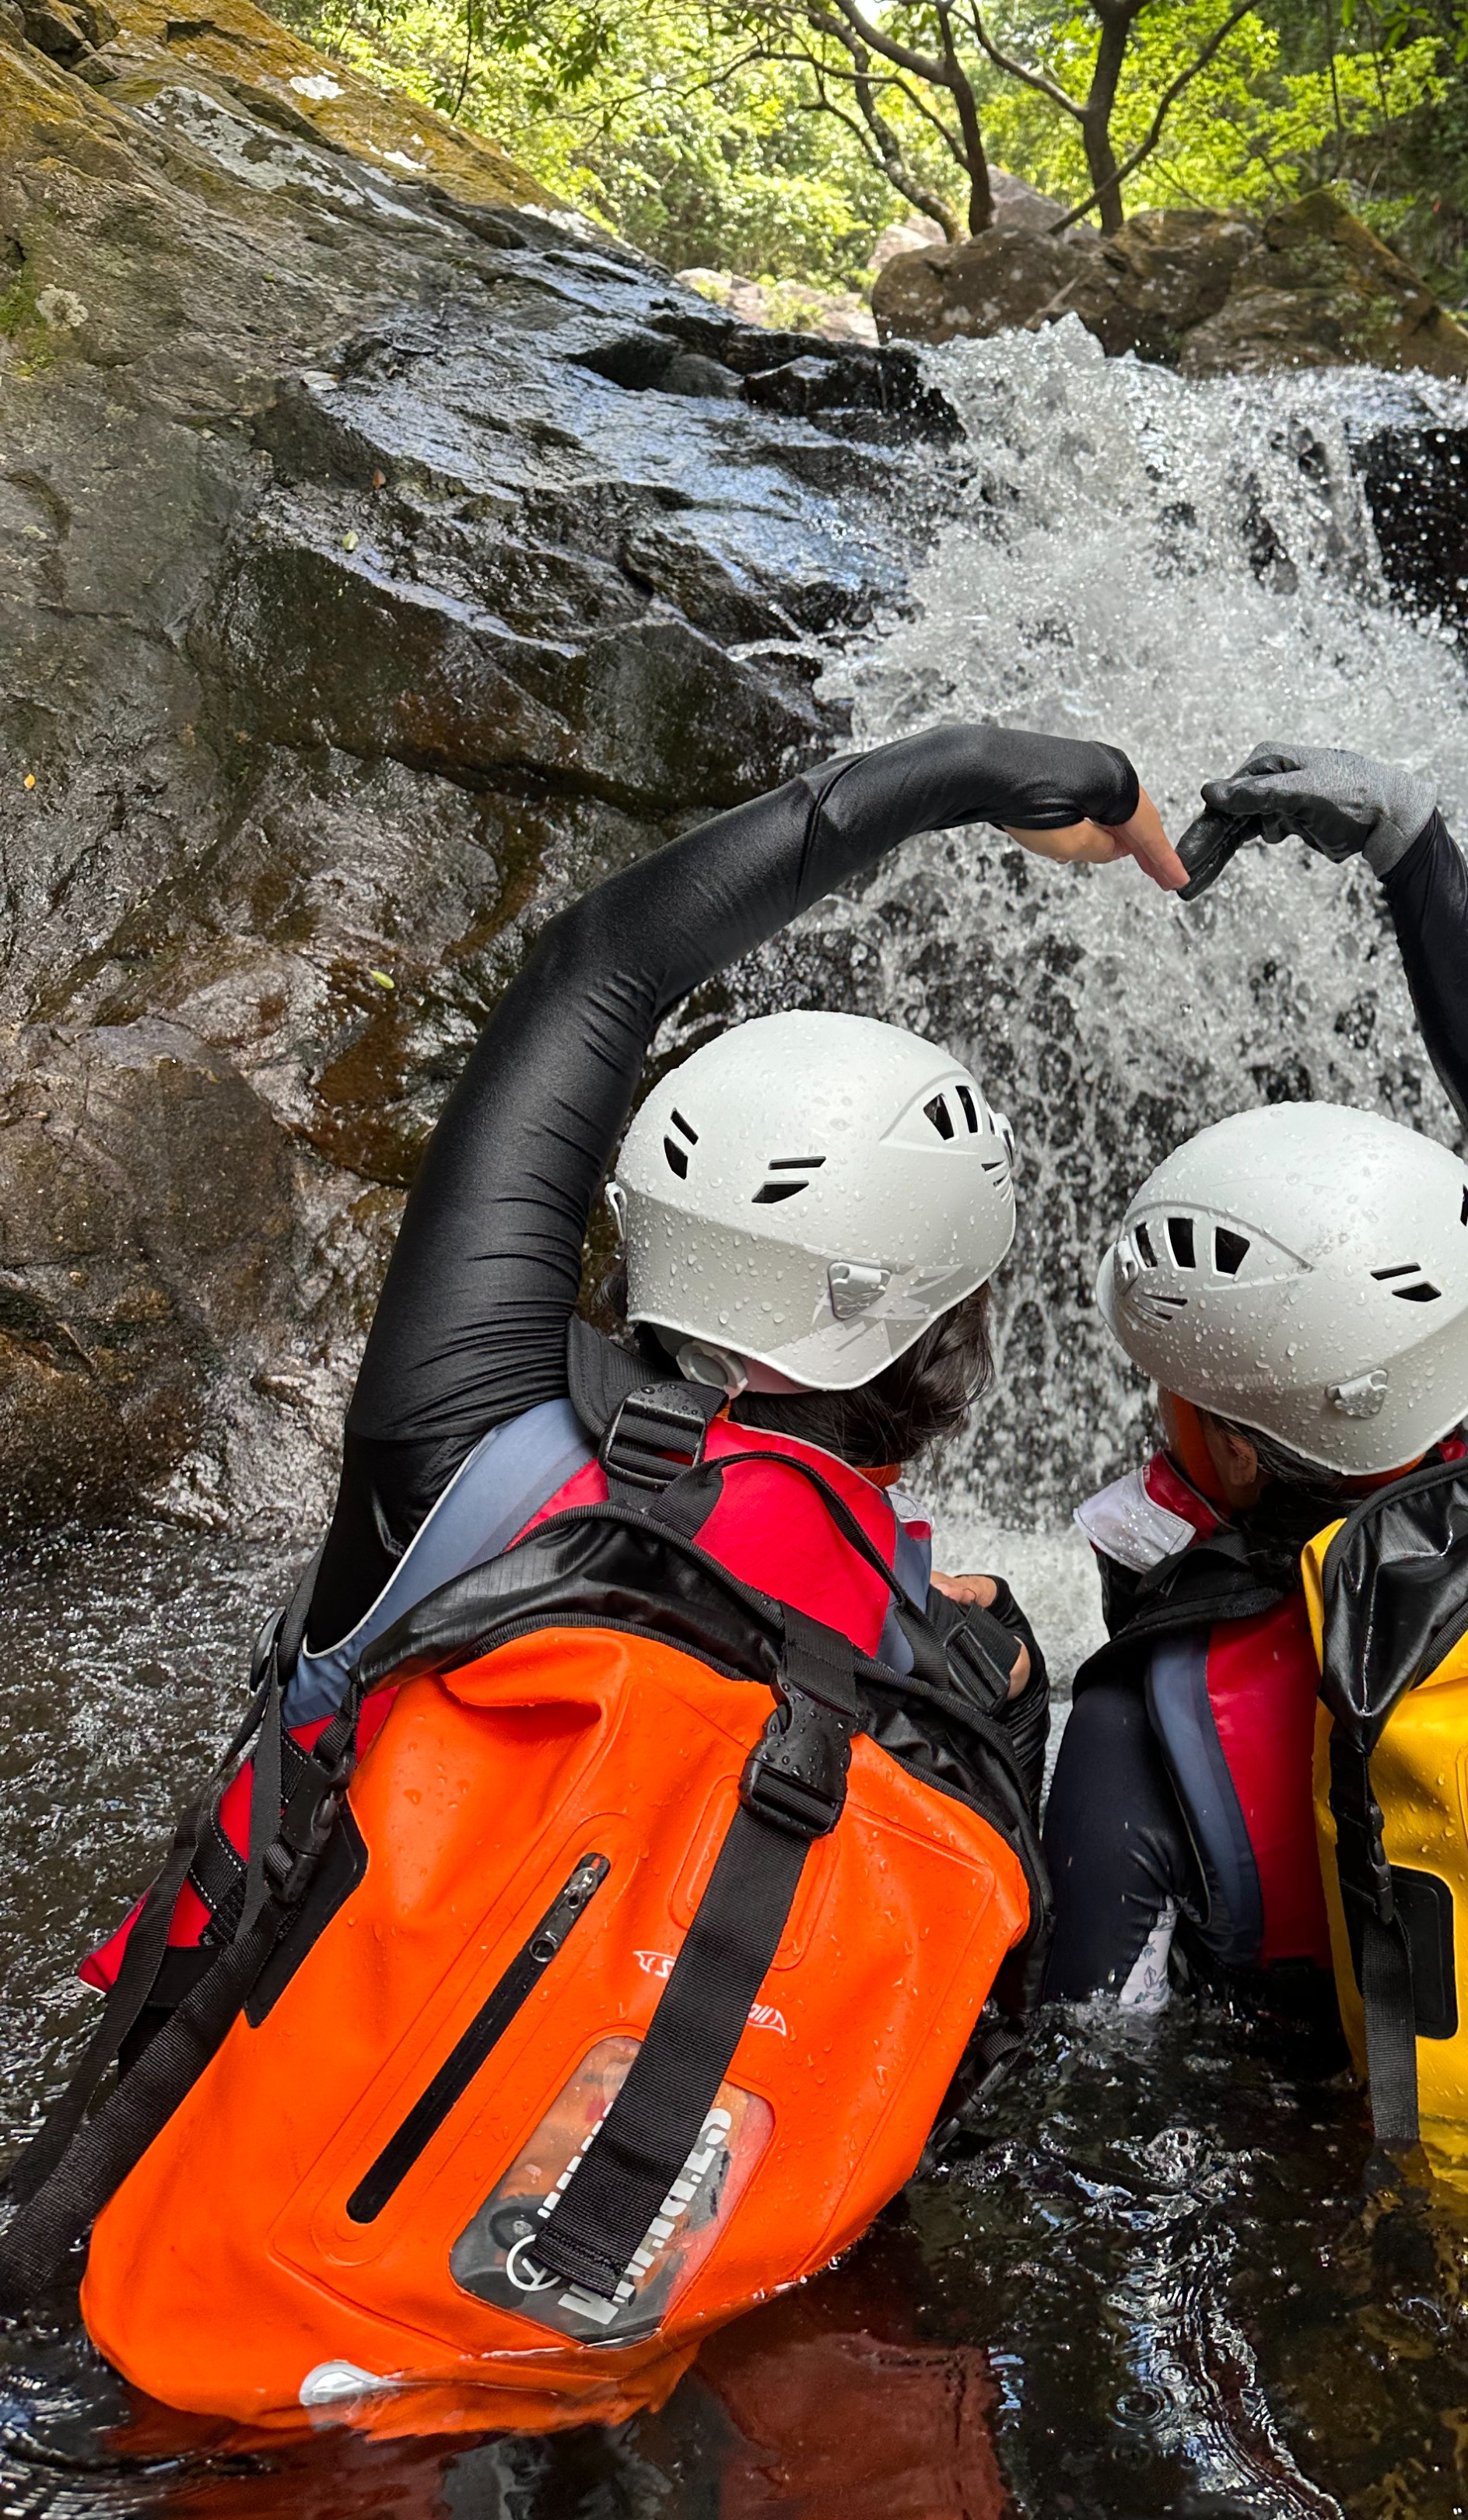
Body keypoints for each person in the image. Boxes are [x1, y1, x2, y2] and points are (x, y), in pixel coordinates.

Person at [83, 720, 1184, 2016]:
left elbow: (598, 966)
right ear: (952, 1330)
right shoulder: (961, 1665)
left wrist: (984, 769)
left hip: (192, 2139)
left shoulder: (464, 1438)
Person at [1040, 743, 1468, 2008]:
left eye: (1178, 1395)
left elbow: (1066, 2067)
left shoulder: (1145, 1730)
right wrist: (1413, 849)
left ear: (1247, 1453)